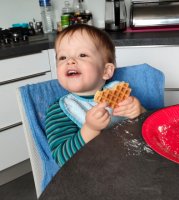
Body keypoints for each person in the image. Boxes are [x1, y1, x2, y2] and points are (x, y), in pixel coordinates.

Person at [45, 24, 146, 167]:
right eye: (62, 57)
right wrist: (90, 129)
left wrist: (140, 112)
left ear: (106, 71)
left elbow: (149, 130)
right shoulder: (60, 111)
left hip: (131, 163)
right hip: (94, 174)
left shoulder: (120, 95)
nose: (70, 61)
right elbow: (62, 159)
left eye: (82, 55)